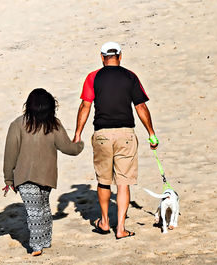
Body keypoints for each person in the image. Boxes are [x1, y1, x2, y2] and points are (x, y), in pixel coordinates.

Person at [73, 42, 158, 239]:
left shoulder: (93, 77)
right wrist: (151, 133)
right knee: (123, 182)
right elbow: (140, 107)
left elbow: (85, 106)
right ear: (120, 56)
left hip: (102, 134)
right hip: (125, 134)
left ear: (102, 57)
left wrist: (78, 133)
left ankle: (104, 222)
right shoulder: (130, 76)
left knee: (104, 181)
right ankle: (120, 228)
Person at [3, 88, 84, 256]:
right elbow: (68, 148)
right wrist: (79, 145)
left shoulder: (17, 124)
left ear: (29, 105)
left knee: (38, 210)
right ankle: (40, 243)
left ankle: (41, 243)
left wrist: (8, 178)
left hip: (24, 176)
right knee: (41, 209)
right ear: (50, 107)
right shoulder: (54, 124)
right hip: (47, 176)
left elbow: (10, 153)